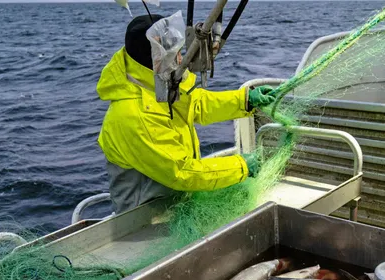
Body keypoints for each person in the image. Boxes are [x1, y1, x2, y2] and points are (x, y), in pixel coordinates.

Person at [97, 14, 276, 213]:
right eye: (174, 54)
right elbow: (182, 172)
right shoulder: (134, 115)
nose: (182, 59)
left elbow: (196, 104)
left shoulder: (156, 86)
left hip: (176, 207)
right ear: (155, 59)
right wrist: (241, 166)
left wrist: (245, 100)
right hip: (145, 224)